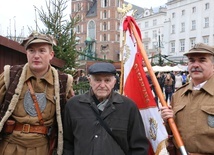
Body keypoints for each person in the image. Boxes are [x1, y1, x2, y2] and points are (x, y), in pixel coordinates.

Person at [0, 32, 74, 155]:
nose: (36, 56)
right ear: (26, 53)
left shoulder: (63, 82)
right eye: (31, 51)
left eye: (42, 51)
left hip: (42, 149)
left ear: (51, 55)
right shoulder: (10, 75)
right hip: (10, 147)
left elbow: (71, 118)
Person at [63, 62, 149, 155]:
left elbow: (139, 146)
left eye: (107, 80)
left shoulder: (128, 107)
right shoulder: (74, 105)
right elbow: (67, 143)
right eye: (97, 80)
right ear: (89, 81)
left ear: (114, 82)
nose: (102, 85)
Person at [161, 43, 214, 154]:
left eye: (202, 60)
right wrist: (167, 121)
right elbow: (171, 132)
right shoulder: (179, 95)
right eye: (191, 61)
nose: (195, 65)